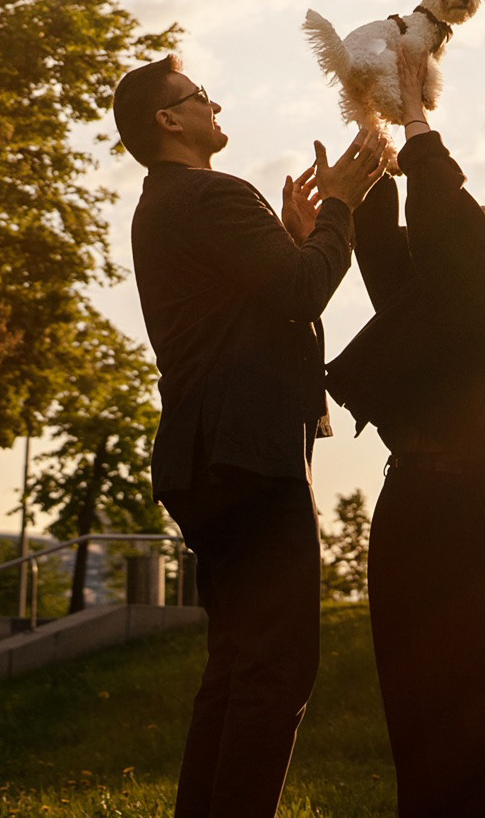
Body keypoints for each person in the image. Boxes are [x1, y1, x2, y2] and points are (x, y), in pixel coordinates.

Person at [114, 55, 382, 818]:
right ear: (170, 120)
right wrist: (339, 210)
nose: (215, 102)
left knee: (236, 667)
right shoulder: (213, 193)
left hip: (205, 456)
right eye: (200, 96)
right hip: (248, 452)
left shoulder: (165, 201)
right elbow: (301, 289)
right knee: (277, 670)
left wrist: (299, 239)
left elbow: (275, 293)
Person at [325, 42, 485, 817]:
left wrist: (418, 117)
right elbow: (393, 262)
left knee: (466, 696)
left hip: (469, 504)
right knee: (409, 692)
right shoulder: (448, 288)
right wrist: (371, 162)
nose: (482, 212)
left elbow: (453, 231)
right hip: (408, 497)